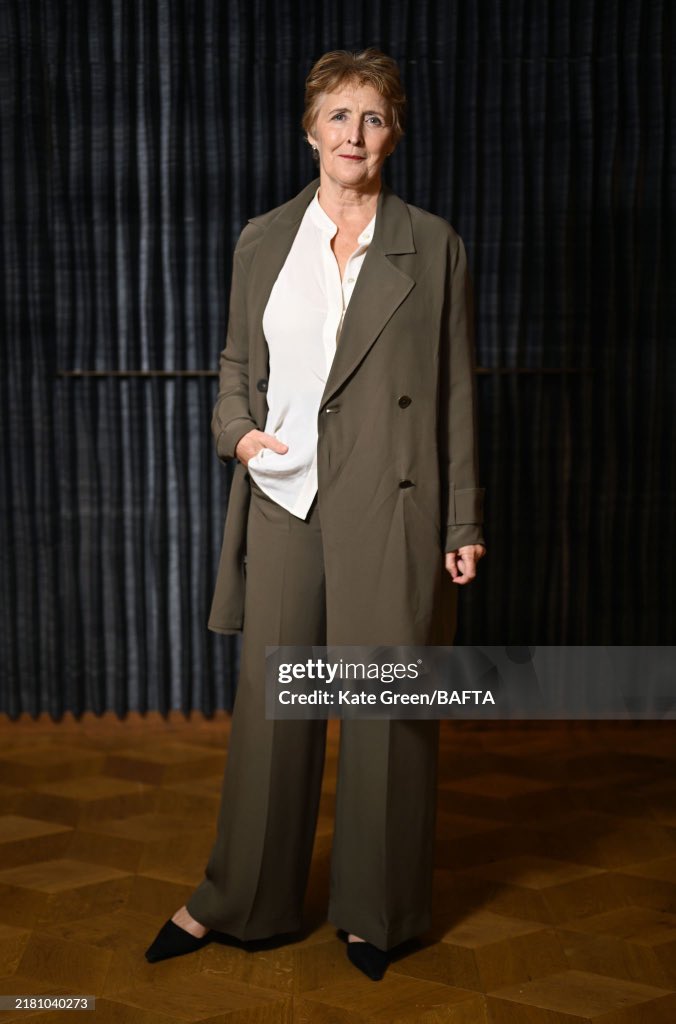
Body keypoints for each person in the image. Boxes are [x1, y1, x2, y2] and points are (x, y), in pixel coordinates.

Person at [145, 47, 486, 982]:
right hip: (283, 497)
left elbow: (455, 389)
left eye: (373, 117)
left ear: (395, 134)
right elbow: (233, 370)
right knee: (273, 711)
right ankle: (242, 901)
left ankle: (378, 913)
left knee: (386, 711)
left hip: (394, 504)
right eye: (338, 115)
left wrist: (462, 524)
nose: (354, 134)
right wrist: (237, 435)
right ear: (309, 129)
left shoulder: (433, 243)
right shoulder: (263, 240)